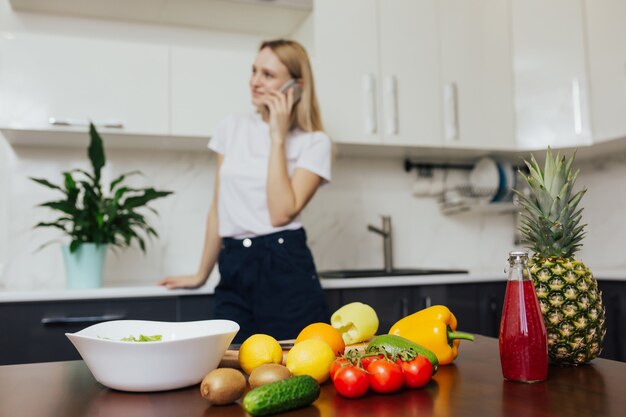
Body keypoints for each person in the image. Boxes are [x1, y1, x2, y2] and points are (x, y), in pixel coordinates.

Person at [158, 39, 331, 343]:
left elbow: (280, 213)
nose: (254, 81)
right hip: (234, 263)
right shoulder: (231, 128)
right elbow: (219, 207)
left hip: (284, 263)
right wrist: (201, 273)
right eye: (254, 71)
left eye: (268, 74)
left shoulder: (314, 143)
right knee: (231, 364)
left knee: (295, 372)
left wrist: (277, 137)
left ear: (296, 85)